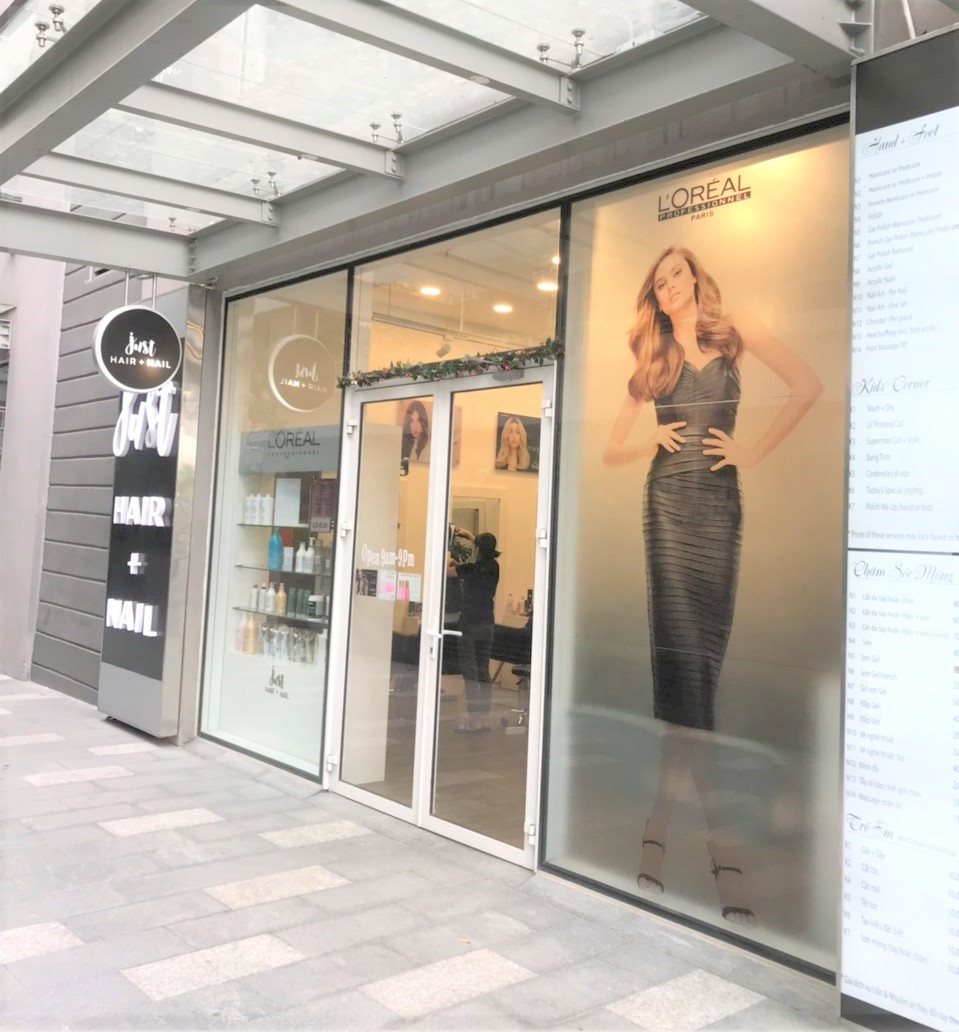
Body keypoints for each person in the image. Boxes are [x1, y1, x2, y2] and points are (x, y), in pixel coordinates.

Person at [603, 245, 822, 927]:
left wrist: (751, 451)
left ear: (696, 278)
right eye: (659, 281)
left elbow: (806, 385)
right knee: (686, 668)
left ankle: (658, 826)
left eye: (677, 274)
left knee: (698, 670)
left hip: (719, 511)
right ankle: (723, 849)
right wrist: (649, 444)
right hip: (667, 508)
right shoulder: (654, 357)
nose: (669, 286)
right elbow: (610, 448)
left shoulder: (735, 331)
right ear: (654, 295)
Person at [449, 532, 500, 732]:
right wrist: (470, 536)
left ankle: (473, 720)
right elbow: (479, 561)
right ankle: (484, 718)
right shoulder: (494, 567)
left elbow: (446, 572)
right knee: (483, 672)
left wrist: (451, 563)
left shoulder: (470, 569)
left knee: (470, 674)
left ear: (478, 549)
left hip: (470, 625)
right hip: (487, 624)